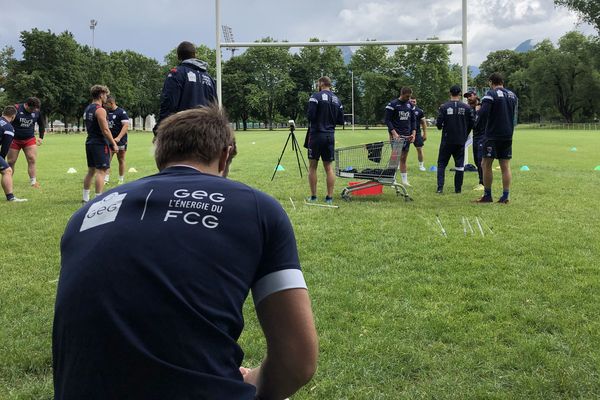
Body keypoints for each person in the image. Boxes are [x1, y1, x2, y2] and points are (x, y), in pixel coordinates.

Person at [53, 106, 318, 400]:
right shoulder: (257, 208)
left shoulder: (85, 215)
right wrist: (252, 382)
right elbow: (298, 361)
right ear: (225, 154)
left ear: (161, 154)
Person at [154, 41, 218, 133]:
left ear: (178, 56)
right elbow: (214, 109)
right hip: (205, 134)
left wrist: (159, 129)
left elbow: (169, 104)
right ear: (195, 55)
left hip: (183, 133)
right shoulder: (209, 78)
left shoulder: (176, 74)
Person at [474, 73, 518, 204]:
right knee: (505, 165)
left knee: (485, 164)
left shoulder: (490, 94)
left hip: (492, 134)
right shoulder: (512, 95)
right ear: (502, 82)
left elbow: (484, 113)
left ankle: (487, 195)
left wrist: (477, 110)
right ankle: (505, 196)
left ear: (490, 82)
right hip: (508, 134)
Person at [306, 76, 345, 204]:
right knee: (329, 167)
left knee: (312, 166)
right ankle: (329, 197)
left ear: (321, 84)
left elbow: (310, 116)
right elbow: (340, 120)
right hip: (330, 136)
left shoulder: (315, 97)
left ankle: (313, 196)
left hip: (316, 135)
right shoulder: (337, 100)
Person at [435, 85, 475, 194]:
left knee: (442, 163)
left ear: (450, 93)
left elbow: (438, 124)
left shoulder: (444, 107)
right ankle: (458, 189)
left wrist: (441, 126)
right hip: (460, 140)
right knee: (459, 165)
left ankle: (440, 188)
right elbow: (472, 123)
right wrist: (465, 133)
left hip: (447, 140)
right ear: (460, 94)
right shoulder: (467, 108)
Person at [82, 85, 119, 203]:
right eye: (106, 95)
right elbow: (105, 130)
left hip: (89, 142)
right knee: (101, 171)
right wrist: (114, 143)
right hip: (99, 143)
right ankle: (98, 199)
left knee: (91, 171)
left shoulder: (88, 108)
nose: (106, 97)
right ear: (101, 94)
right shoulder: (100, 110)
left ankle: (85, 197)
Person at [7, 97, 46, 188]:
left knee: (32, 159)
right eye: (32, 109)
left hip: (29, 139)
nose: (33, 111)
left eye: (35, 109)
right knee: (11, 161)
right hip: (14, 139)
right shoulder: (15, 109)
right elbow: (6, 121)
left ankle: (33, 182)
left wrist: (41, 137)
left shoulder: (36, 111)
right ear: (27, 105)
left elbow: (41, 124)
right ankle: (9, 180)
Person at [384, 87, 416, 186]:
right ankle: (392, 180)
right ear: (402, 94)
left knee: (403, 158)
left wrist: (413, 133)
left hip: (407, 136)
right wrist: (394, 133)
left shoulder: (410, 105)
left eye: (410, 96)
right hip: (397, 136)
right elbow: (387, 120)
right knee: (395, 159)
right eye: (407, 96)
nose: (408, 98)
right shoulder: (392, 105)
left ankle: (405, 181)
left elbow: (413, 120)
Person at [0, 106, 27, 202]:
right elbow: (5, 148)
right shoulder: (8, 128)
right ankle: (10, 197)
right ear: (13, 116)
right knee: (7, 171)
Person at [104, 95, 130, 185]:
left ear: (111, 103)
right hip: (109, 140)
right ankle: (105, 179)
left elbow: (126, 126)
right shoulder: (106, 112)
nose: (105, 105)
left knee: (121, 159)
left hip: (121, 140)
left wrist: (118, 138)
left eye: (106, 104)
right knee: (107, 160)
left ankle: (121, 179)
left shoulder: (121, 112)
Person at [464, 91, 484, 191]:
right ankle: (481, 181)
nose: (468, 98)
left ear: (476, 96)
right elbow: (470, 125)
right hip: (475, 137)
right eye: (467, 97)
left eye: (470, 96)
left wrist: (477, 111)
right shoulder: (470, 109)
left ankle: (483, 183)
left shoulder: (483, 106)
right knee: (477, 160)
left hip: (484, 136)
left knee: (481, 160)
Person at [409, 96, 428, 171]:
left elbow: (423, 123)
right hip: (406, 132)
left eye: (414, 101)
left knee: (419, 149)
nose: (413, 103)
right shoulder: (404, 109)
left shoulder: (419, 111)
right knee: (401, 149)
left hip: (417, 133)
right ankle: (397, 165)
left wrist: (425, 134)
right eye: (411, 101)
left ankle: (421, 166)